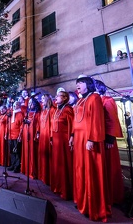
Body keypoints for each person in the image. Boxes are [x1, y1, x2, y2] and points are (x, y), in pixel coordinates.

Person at [69, 76, 109, 222]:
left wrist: (92, 138)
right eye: (77, 83)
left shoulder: (95, 98)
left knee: (90, 170)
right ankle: (82, 201)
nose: (77, 85)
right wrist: (72, 135)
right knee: (80, 169)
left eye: (80, 83)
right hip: (79, 138)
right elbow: (76, 119)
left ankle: (93, 206)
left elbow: (97, 119)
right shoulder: (80, 100)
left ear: (88, 85)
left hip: (88, 137)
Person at [94, 79, 125, 206]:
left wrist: (110, 138)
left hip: (107, 140)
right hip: (99, 138)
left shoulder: (107, 100)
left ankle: (111, 195)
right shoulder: (96, 100)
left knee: (109, 167)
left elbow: (112, 119)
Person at [50, 91, 74, 200]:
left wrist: (72, 137)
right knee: (57, 164)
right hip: (56, 141)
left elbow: (72, 125)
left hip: (64, 141)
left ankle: (66, 190)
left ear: (64, 98)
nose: (55, 97)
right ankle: (58, 186)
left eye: (58, 96)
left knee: (64, 164)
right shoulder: (57, 110)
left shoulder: (68, 109)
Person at [21, 97, 41, 179]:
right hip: (26, 133)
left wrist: (37, 133)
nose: (29, 104)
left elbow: (38, 125)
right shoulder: (27, 113)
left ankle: (32, 170)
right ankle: (26, 169)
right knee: (26, 150)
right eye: (28, 103)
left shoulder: (37, 113)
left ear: (35, 104)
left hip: (32, 133)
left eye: (31, 103)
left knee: (32, 151)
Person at [37, 94, 54, 185]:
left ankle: (49, 177)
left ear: (47, 99)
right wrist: (38, 132)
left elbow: (53, 124)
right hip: (42, 135)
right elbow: (39, 123)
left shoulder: (52, 110)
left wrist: (51, 136)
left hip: (48, 136)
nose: (41, 100)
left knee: (49, 156)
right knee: (43, 155)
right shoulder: (43, 111)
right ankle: (43, 176)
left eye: (43, 98)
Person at [8, 101, 24, 173]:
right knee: (11, 151)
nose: (14, 106)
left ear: (19, 106)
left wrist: (20, 135)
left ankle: (17, 167)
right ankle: (13, 164)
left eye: (16, 105)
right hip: (10, 135)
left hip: (16, 135)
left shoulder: (20, 114)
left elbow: (21, 125)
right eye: (14, 105)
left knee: (17, 151)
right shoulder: (11, 114)